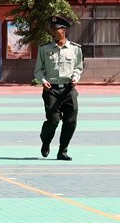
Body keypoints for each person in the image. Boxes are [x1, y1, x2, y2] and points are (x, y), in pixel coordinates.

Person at [34, 15, 83, 161]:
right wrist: (43, 81)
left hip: (69, 89)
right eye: (51, 29)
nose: (52, 32)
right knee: (53, 121)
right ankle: (46, 141)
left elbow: (78, 67)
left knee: (70, 121)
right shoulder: (44, 49)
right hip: (51, 90)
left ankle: (63, 151)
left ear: (64, 30)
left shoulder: (75, 49)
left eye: (55, 29)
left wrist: (75, 77)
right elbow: (38, 70)